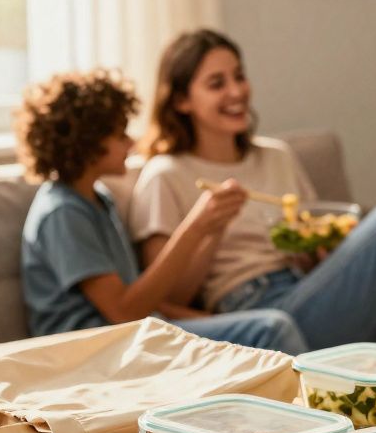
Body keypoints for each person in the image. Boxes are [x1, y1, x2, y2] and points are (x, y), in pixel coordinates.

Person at [129, 29, 376, 350]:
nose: (237, 91)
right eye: (217, 83)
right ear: (181, 101)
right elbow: (168, 297)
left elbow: (308, 239)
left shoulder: (276, 157)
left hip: (308, 292)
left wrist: (322, 249)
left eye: (239, 76)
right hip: (257, 312)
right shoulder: (166, 174)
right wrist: (209, 229)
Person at [15, 69, 309, 354]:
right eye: (120, 136)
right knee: (272, 329)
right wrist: (197, 227)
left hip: (134, 334)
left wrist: (207, 321)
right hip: (95, 350)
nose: (131, 143)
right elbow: (123, 311)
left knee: (264, 326)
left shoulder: (97, 199)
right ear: (87, 145)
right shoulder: (62, 213)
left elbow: (142, 299)